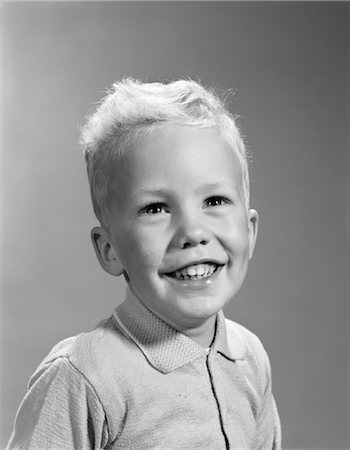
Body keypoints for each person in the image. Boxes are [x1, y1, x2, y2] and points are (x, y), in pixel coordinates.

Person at [7, 78, 281, 449]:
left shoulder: (249, 358)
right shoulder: (84, 376)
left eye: (215, 200)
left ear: (249, 232)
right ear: (110, 249)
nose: (193, 232)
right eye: (155, 208)